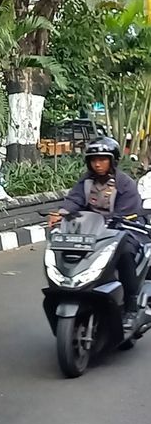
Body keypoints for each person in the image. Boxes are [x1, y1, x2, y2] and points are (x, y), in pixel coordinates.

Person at [50, 137, 146, 323]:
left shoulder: (125, 183)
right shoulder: (86, 181)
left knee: (125, 253)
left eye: (103, 159)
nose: (97, 164)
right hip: (91, 231)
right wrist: (61, 213)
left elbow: (126, 212)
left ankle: (131, 306)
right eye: (94, 160)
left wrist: (113, 221)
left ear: (113, 160)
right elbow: (74, 200)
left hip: (123, 230)